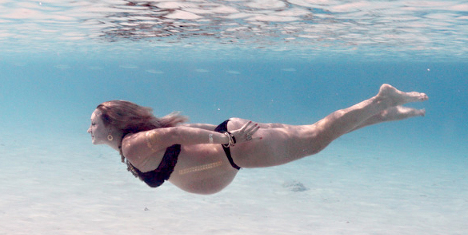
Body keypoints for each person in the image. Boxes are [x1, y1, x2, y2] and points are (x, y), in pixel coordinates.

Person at [88, 84, 427, 195]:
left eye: (92, 125)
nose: (88, 131)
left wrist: (226, 140)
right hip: (234, 142)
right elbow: (179, 137)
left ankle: (380, 101)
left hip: (237, 149)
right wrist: (224, 135)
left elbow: (177, 133)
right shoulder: (137, 141)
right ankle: (382, 113)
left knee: (317, 136)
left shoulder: (133, 145)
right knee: (317, 135)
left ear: (111, 126)